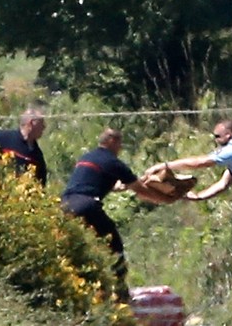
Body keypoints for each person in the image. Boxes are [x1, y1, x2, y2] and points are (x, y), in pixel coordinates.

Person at [144, 119, 232, 277]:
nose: (215, 140)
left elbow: (200, 162)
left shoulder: (231, 151)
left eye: (217, 136)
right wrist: (197, 197)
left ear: (228, 135)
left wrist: (165, 166)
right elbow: (222, 185)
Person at [61, 128, 170, 302]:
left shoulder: (86, 158)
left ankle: (80, 292)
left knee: (77, 249)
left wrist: (121, 186)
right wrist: (165, 199)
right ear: (111, 141)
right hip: (87, 205)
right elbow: (141, 190)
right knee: (114, 247)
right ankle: (120, 294)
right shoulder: (114, 162)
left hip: (64, 205)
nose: (121, 147)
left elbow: (96, 182)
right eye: (119, 143)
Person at [0, 105, 48, 187]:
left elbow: (41, 183)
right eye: (41, 123)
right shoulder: (3, 138)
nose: (44, 127)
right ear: (31, 123)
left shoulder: (37, 155)